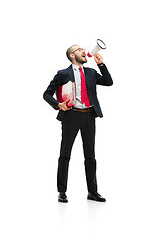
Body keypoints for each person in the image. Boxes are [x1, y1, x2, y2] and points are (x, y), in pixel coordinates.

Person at [43, 45, 113, 203]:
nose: (84, 51)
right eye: (80, 49)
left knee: (90, 156)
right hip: (71, 115)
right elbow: (46, 94)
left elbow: (109, 82)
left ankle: (92, 192)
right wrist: (57, 104)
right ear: (72, 55)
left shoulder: (91, 72)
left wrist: (101, 64)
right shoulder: (63, 73)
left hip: (89, 115)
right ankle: (62, 191)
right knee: (65, 154)